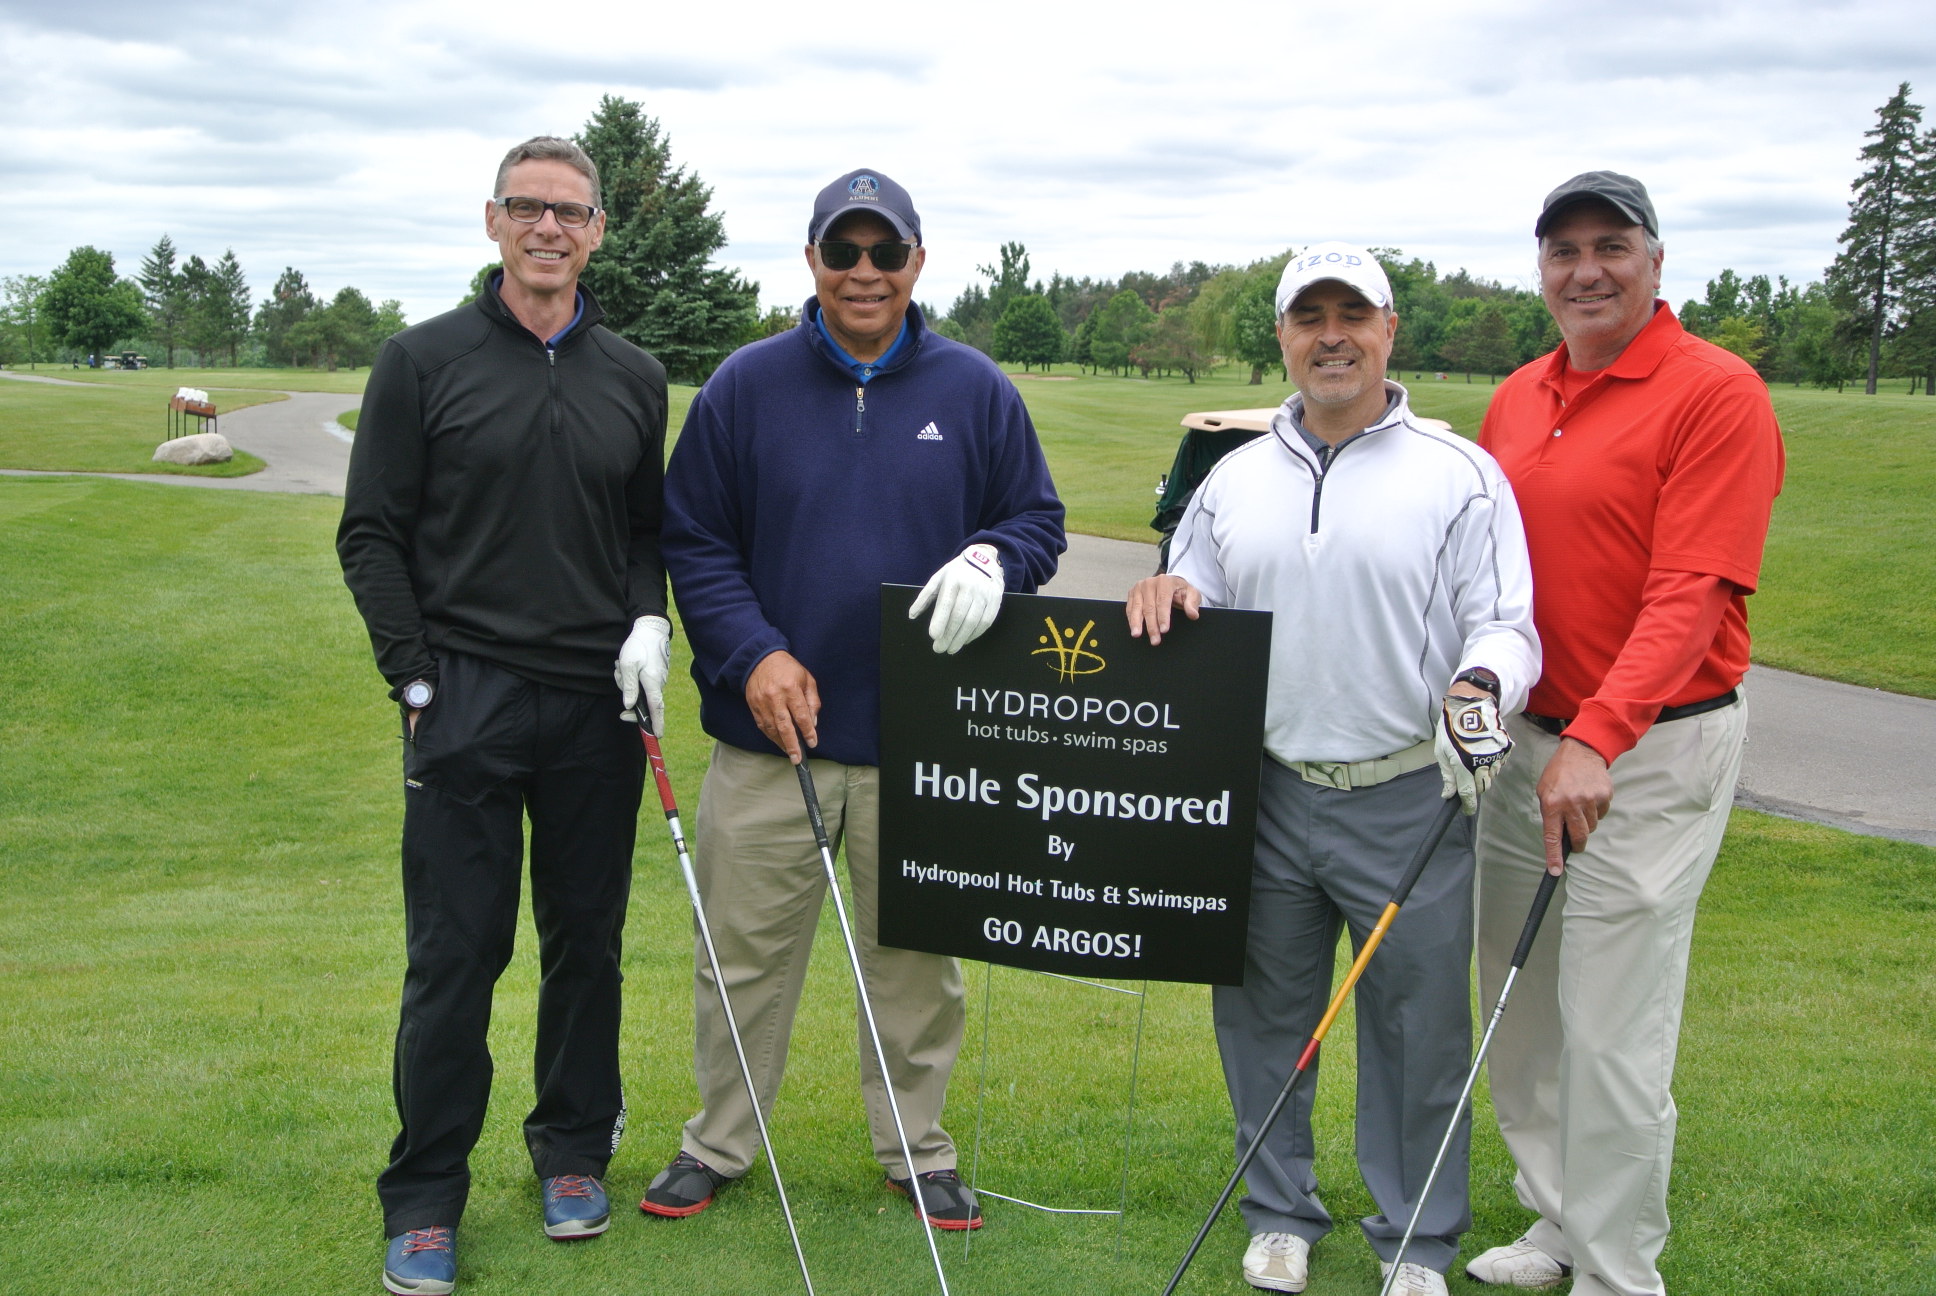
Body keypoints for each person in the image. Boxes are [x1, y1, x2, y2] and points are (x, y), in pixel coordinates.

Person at [650, 168, 1065, 1231]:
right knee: (740, 958)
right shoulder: (745, 385)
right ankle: (718, 1142)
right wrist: (752, 654)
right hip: (769, 740)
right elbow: (694, 538)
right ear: (812, 261)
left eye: (886, 252)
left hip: (921, 739)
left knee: (918, 969)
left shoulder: (975, 389)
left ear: (917, 262)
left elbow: (1036, 521)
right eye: (844, 252)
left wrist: (993, 555)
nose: (865, 272)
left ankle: (917, 1151)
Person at [1126, 242, 1540, 1296]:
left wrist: (1481, 684)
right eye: (1309, 317)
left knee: (1416, 1028)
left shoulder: (1458, 474)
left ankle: (1414, 1240)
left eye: (1352, 315)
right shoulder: (1232, 478)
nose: (1331, 336)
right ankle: (1279, 1216)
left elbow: (1505, 623)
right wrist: (1165, 592)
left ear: (1389, 330)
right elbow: (1189, 588)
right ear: (1282, 337)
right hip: (1264, 793)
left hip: (1409, 794)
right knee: (1264, 1018)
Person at [338, 135, 673, 1296]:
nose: (548, 228)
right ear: (493, 222)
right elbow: (371, 533)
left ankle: (572, 1151)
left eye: (569, 212)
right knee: (455, 955)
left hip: (595, 704)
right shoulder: (421, 360)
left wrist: (649, 619)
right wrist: (414, 680)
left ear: (595, 232)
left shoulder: (632, 375)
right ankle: (426, 1196)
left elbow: (643, 532)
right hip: (466, 697)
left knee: (587, 944)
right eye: (526, 207)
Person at [1465, 172, 1785, 1296]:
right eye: (1564, 251)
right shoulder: (1518, 395)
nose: (1586, 270)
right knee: (1520, 1003)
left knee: (1610, 1021)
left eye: (1611, 246)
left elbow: (1692, 591)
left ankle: (1615, 1272)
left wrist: (1598, 739)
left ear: (1655, 260)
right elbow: (1485, 575)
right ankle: (1559, 1219)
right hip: (1527, 743)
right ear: (1541, 270)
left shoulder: (1717, 392)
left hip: (1647, 751)